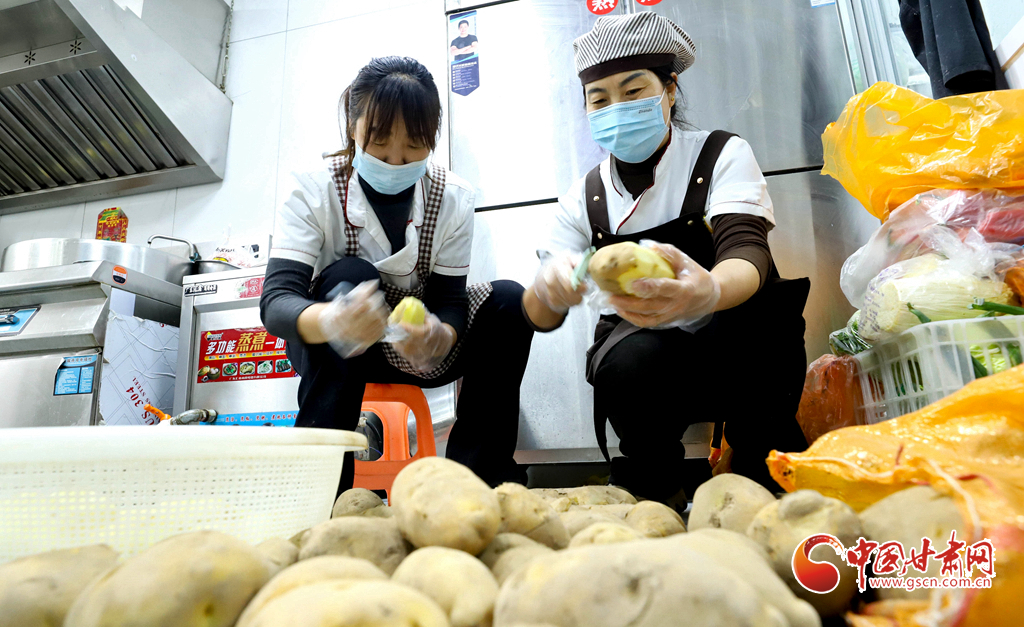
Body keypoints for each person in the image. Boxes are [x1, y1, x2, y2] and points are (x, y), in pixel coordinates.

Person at [522, 12, 810, 504]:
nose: (616, 108)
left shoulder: (718, 154)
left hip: (734, 343)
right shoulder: (586, 196)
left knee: (763, 322)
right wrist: (549, 288)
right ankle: (654, 485)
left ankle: (761, 463)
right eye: (599, 99)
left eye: (633, 91)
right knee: (629, 359)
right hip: (646, 365)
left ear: (670, 90)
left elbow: (746, 249)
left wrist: (709, 290)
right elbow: (539, 316)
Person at [260, 56, 533, 490]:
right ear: (352, 126)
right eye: (380, 141)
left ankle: (477, 481)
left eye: (414, 146)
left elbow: (448, 299)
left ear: (433, 139)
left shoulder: (453, 198)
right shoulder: (313, 189)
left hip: (414, 351)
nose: (395, 160)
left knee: (509, 301)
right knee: (349, 274)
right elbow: (276, 302)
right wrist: (333, 319)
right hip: (336, 350)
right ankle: (323, 486)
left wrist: (440, 335)